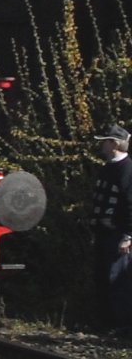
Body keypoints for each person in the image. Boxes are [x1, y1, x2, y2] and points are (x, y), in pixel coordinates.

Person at [91, 123, 132, 331]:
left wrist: (128, 235)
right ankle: (105, 323)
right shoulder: (108, 167)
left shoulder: (127, 169)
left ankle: (122, 325)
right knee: (102, 278)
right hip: (103, 232)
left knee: (118, 280)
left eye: (104, 142)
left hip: (118, 234)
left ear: (114, 144)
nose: (101, 146)